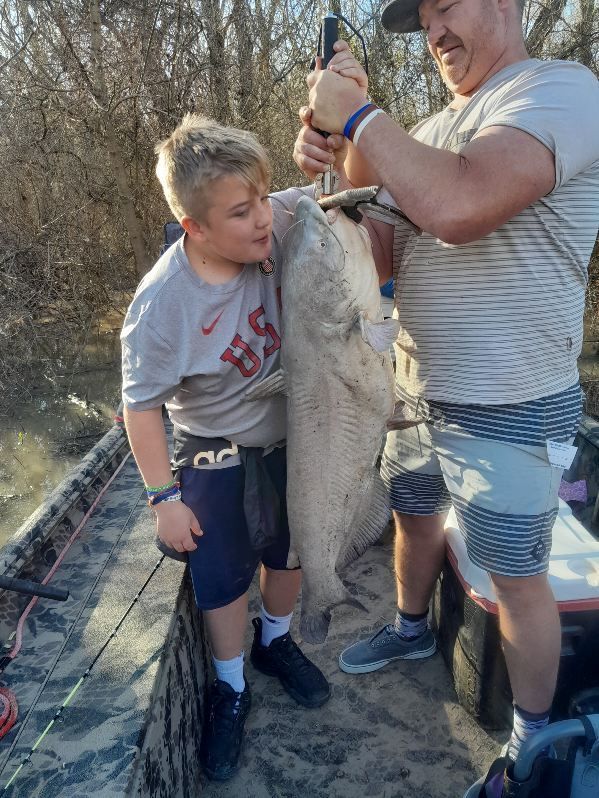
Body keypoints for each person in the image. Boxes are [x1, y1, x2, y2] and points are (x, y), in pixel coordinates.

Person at [293, 0, 599, 794]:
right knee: (414, 510)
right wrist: (334, 157)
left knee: (514, 576)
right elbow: (381, 241)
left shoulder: (560, 91)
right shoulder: (425, 132)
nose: (433, 30)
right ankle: (407, 629)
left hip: (510, 397)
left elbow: (457, 207)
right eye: (422, 17)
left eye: (447, 4)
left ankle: (527, 740)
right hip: (411, 380)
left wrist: (358, 114)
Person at [121, 114, 331, 783]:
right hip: (215, 447)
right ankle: (230, 685)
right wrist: (163, 500)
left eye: (264, 198)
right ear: (195, 228)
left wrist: (339, 125)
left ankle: (276, 642)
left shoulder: (281, 221)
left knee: (291, 547)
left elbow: (345, 189)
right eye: (241, 212)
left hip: (290, 431)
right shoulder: (162, 308)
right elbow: (140, 405)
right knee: (221, 576)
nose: (263, 220)